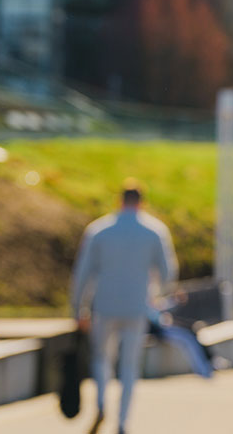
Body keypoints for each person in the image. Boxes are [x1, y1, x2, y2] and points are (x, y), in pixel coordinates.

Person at [69, 181, 177, 434]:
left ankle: (100, 403)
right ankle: (122, 421)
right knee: (130, 365)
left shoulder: (98, 230)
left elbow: (82, 274)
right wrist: (157, 296)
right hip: (137, 305)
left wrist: (78, 308)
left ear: (120, 201)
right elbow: (168, 272)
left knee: (102, 359)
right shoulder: (154, 231)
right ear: (142, 202)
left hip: (104, 305)